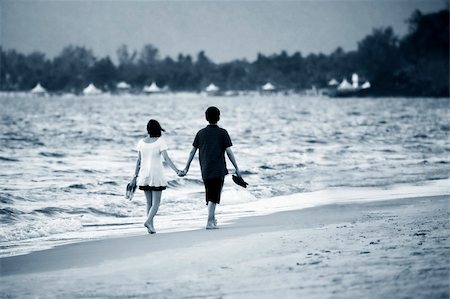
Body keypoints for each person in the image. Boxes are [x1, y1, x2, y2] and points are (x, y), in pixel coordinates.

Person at [182, 106, 242, 229]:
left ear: (206, 118)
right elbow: (229, 152)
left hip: (205, 169)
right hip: (218, 169)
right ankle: (209, 222)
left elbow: (192, 152)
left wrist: (186, 168)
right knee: (214, 196)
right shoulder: (223, 133)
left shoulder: (200, 133)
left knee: (210, 193)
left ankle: (213, 218)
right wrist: (237, 167)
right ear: (218, 117)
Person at [131, 119, 181, 234]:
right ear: (158, 129)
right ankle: (148, 222)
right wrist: (177, 170)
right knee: (156, 203)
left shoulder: (141, 142)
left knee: (149, 203)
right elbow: (166, 159)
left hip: (144, 175)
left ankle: (150, 227)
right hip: (156, 175)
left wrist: (135, 176)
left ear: (148, 129)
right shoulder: (160, 142)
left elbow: (138, 161)